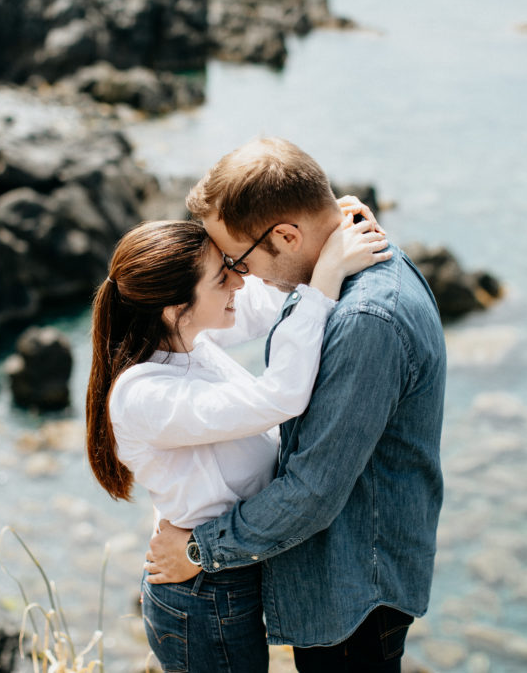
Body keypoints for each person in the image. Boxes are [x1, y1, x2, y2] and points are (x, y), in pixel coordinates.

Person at [146, 137, 447, 673]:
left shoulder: (365, 321)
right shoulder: (359, 265)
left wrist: (199, 550)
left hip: (353, 589)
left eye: (237, 259)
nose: (238, 277)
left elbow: (313, 491)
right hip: (350, 576)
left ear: (287, 235)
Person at [85, 216, 390, 673]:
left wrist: (325, 232)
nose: (238, 279)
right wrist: (324, 280)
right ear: (173, 307)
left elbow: (267, 303)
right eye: (221, 275)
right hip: (202, 597)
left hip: (220, 574)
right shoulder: (144, 394)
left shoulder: (186, 340)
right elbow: (280, 396)